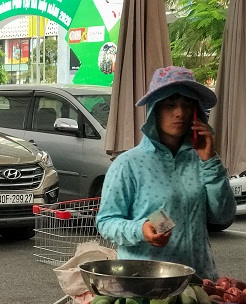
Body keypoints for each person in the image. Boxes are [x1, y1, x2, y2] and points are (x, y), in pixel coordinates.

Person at [96, 66, 236, 280]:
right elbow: (106, 221)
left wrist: (210, 162)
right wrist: (140, 229)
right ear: (155, 110)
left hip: (199, 281)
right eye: (170, 105)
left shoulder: (202, 160)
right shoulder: (128, 164)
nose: (179, 113)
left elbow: (223, 216)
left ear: (196, 111)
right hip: (146, 284)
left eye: (187, 104)